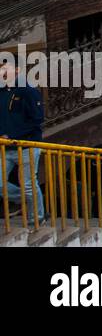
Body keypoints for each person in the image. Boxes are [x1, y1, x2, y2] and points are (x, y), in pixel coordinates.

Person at [0, 61, 45, 226]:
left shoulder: (29, 91)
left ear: (17, 70)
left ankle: (38, 215)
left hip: (28, 146)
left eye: (6, 68)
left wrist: (11, 135)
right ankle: (25, 200)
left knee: (27, 183)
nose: (3, 72)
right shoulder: (2, 92)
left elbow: (37, 119)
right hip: (5, 148)